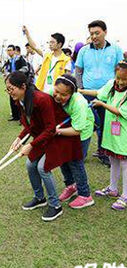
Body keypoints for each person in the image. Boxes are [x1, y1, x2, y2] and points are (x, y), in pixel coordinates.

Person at [7, 71, 82, 221]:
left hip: (59, 136)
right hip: (45, 136)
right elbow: (30, 124)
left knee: (43, 167)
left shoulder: (41, 99)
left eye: (11, 88)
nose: (9, 92)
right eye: (7, 89)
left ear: (23, 86)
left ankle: (55, 205)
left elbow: (50, 129)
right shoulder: (21, 100)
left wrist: (30, 145)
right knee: (30, 165)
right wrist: (19, 139)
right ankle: (40, 198)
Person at [75, 20, 124, 166]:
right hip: (87, 93)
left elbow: (120, 70)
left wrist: (118, 89)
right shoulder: (84, 50)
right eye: (91, 34)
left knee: (105, 124)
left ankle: (103, 153)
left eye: (97, 33)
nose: (94, 36)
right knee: (86, 123)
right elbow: (78, 70)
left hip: (108, 94)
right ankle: (80, 153)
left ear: (105, 32)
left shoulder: (115, 49)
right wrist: (80, 87)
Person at [80, 61, 127, 210]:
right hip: (112, 134)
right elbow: (98, 93)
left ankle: (125, 196)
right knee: (113, 160)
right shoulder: (112, 85)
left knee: (125, 165)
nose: (120, 82)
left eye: (124, 79)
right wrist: (80, 91)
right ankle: (113, 189)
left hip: (124, 136)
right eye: (118, 78)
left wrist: (102, 105)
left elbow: (120, 111)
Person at [52, 75, 95, 209]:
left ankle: (85, 195)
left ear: (72, 93)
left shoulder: (79, 103)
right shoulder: (50, 93)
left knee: (75, 162)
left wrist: (56, 131)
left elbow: (77, 130)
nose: (58, 96)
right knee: (63, 159)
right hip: (64, 127)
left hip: (81, 130)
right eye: (57, 92)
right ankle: (71, 186)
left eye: (64, 95)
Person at [23, 26, 71, 93]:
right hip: (42, 90)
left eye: (52, 42)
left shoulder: (66, 60)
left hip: (56, 93)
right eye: (49, 42)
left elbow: (68, 80)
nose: (50, 44)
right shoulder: (47, 55)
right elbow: (34, 46)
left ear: (59, 44)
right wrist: (27, 34)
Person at [3, 44, 28, 121]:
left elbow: (25, 68)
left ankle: (22, 117)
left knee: (20, 99)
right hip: (11, 82)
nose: (9, 52)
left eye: (10, 50)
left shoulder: (20, 59)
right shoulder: (9, 61)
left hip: (19, 81)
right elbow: (6, 69)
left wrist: (16, 73)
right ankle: (15, 116)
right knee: (12, 98)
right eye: (8, 50)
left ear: (14, 51)